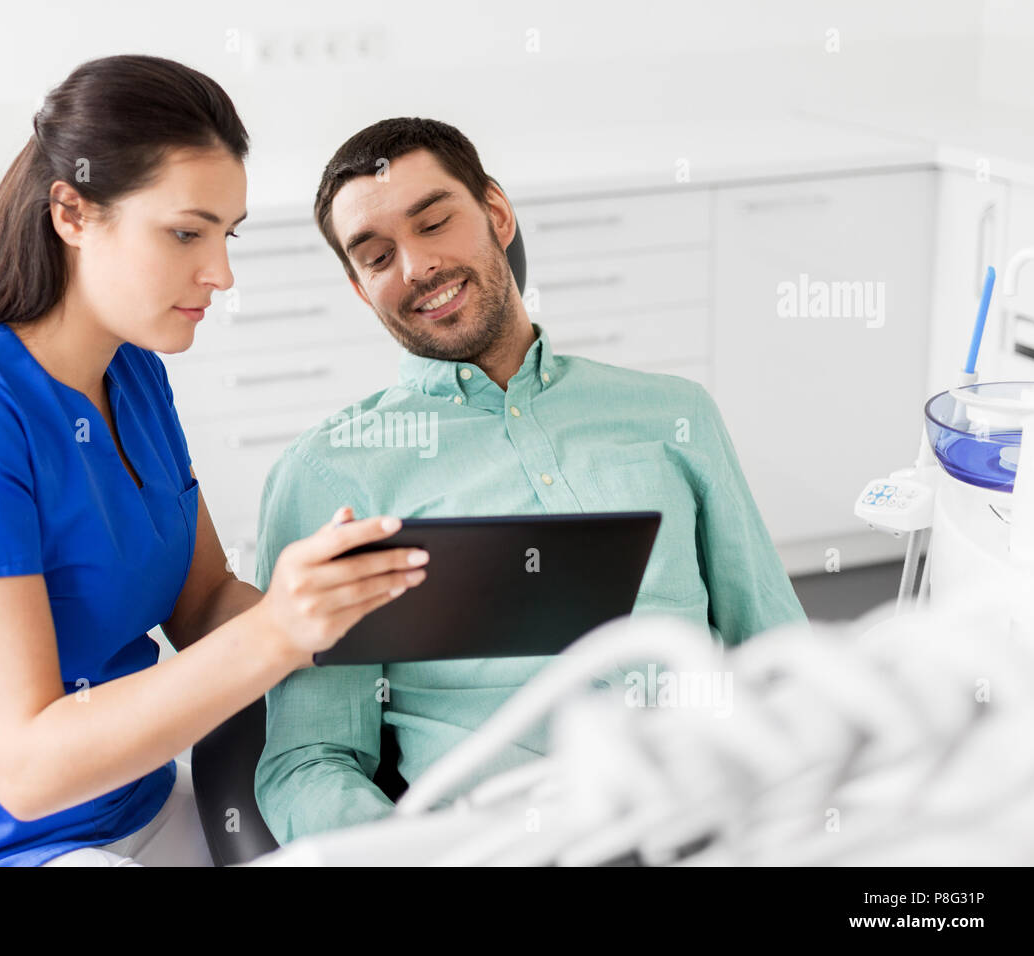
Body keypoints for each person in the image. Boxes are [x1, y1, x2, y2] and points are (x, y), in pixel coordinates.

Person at [0, 55, 427, 866]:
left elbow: (203, 601)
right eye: (185, 232)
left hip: (132, 808)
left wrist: (362, 618)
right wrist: (281, 630)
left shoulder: (131, 373)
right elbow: (28, 769)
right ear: (71, 212)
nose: (221, 274)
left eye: (225, 235)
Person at [253, 117, 810, 845]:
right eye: (378, 254)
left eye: (434, 222)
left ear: (497, 213)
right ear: (361, 290)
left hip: (723, 818)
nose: (416, 266)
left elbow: (779, 653)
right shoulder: (328, 475)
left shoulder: (675, 416)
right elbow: (310, 760)